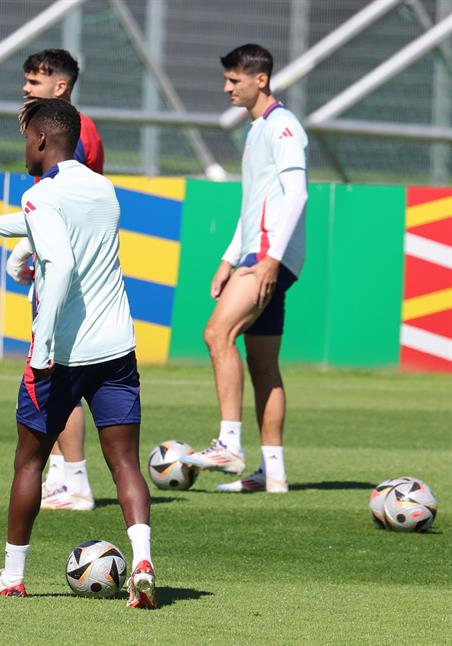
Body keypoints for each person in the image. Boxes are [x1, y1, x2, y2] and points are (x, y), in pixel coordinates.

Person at [0, 98, 156, 609]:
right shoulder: (102, 187)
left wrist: (43, 346)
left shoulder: (42, 195)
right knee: (125, 464)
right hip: (117, 347)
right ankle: (141, 561)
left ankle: (11, 575)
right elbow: (29, 222)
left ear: (43, 140)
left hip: (64, 354)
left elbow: (59, 260)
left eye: (27, 138)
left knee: (28, 462)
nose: (24, 147)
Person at [180, 44, 308, 494]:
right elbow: (253, 206)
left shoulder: (284, 126)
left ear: (262, 80)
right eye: (227, 79)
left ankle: (229, 443)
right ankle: (272, 474)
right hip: (256, 254)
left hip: (270, 258)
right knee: (263, 364)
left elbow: (297, 195)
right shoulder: (256, 130)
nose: (226, 87)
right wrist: (227, 258)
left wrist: (269, 260)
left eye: (235, 80)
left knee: (217, 334)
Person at [7, 48, 104, 512]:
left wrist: (26, 251)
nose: (26, 87)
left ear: (59, 87)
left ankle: (74, 479)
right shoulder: (84, 130)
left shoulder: (69, 137)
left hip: (63, 267)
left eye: (34, 81)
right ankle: (66, 476)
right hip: (72, 262)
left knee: (59, 373)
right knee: (68, 375)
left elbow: (61, 204)